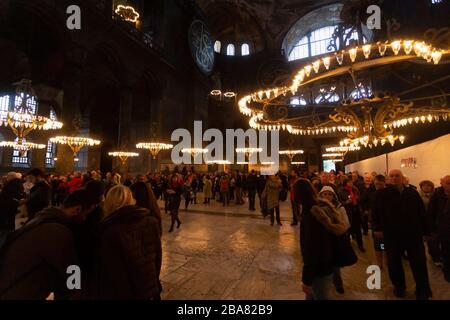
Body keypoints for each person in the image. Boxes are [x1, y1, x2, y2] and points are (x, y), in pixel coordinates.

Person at [0, 190, 96, 299]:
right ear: (77, 209)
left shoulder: (41, 218)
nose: (84, 219)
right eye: (85, 215)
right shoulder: (57, 231)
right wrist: (80, 290)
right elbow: (71, 271)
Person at [93, 185, 162, 299]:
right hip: (148, 287)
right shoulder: (151, 221)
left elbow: (111, 271)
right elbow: (157, 258)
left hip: (124, 292)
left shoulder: (109, 230)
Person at [373, 169, 432, 299]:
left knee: (419, 263)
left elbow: (421, 213)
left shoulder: (412, 193)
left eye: (397, 176)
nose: (394, 178)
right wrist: (376, 228)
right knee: (394, 263)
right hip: (392, 235)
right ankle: (399, 287)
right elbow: (376, 212)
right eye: (392, 176)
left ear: (402, 178)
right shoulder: (381, 194)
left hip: (413, 234)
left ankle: (423, 290)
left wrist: (426, 231)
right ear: (388, 179)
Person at [295, 179, 348, 300]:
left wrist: (307, 279)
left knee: (321, 295)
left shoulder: (311, 214)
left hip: (319, 268)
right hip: (325, 263)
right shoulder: (318, 208)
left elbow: (312, 248)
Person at [318, 186, 351, 294]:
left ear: (333, 196)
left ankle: (338, 284)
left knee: (335, 264)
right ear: (321, 195)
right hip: (322, 240)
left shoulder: (339, 207)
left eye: (329, 194)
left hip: (335, 239)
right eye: (325, 194)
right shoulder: (317, 207)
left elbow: (346, 223)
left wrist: (336, 229)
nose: (327, 196)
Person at [428, 175, 450, 282]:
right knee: (445, 251)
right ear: (443, 184)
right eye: (448, 183)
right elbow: (431, 212)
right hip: (443, 229)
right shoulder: (437, 194)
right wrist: (431, 229)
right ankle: (447, 273)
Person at [338, 178, 365, 252]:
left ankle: (360, 245)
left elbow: (359, 198)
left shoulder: (355, 189)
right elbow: (340, 202)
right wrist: (347, 202)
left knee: (358, 230)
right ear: (345, 183)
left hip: (356, 211)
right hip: (348, 213)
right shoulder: (341, 191)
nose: (351, 184)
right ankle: (347, 246)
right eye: (349, 182)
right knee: (348, 229)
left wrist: (357, 198)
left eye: (351, 182)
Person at [419, 180, 440, 266]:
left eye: (428, 186)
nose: (426, 187)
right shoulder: (419, 196)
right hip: (425, 222)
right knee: (431, 241)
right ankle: (435, 257)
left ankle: (436, 256)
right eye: (424, 186)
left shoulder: (436, 196)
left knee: (435, 240)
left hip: (436, 221)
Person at [0, 179, 24, 244]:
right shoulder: (13, 190)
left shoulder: (6, 190)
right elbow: (13, 202)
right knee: (5, 233)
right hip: (6, 218)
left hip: (6, 216)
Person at [372, 175, 386, 270]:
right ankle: (380, 264)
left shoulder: (387, 194)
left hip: (385, 225)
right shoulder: (372, 192)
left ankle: (386, 262)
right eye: (377, 184)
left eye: (380, 184)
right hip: (377, 226)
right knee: (379, 246)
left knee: (384, 246)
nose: (378, 186)